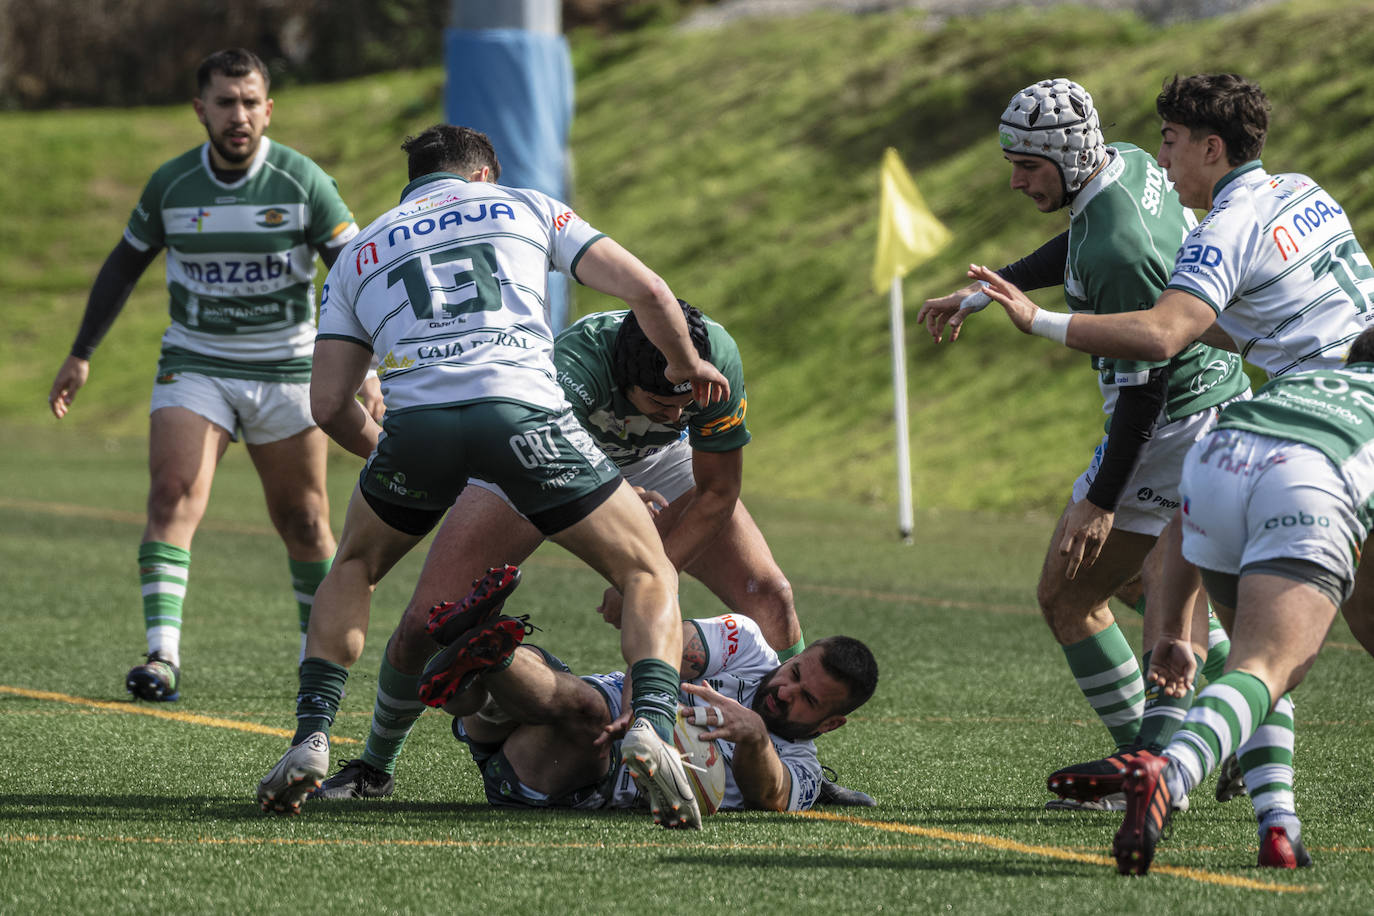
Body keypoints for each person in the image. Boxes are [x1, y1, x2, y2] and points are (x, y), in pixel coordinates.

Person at [255, 124, 731, 829]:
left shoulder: (359, 250)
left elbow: (327, 403)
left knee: (354, 564)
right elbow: (649, 290)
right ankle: (650, 727)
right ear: (485, 175)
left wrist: (392, 450)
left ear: (411, 183)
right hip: (526, 418)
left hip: (418, 426)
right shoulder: (524, 205)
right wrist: (688, 368)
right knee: (647, 570)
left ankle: (313, 735)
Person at [969, 73, 1374, 864]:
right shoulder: (1302, 189)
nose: (1162, 154)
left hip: (1312, 430)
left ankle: (1163, 765)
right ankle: (1269, 820)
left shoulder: (1226, 223)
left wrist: (1037, 320)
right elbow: (1241, 323)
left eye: (1173, 140)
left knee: (1257, 644)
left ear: (1210, 147)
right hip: (1337, 399)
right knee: (1284, 628)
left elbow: (1162, 339)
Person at [308, 304, 870, 805]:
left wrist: (650, 572)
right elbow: (559, 474)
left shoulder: (716, 358)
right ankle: (375, 766)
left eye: (686, 403)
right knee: (424, 622)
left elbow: (718, 491)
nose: (676, 417)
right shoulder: (573, 370)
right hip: (535, 455)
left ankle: (790, 761)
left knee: (770, 595)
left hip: (657, 466)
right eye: (659, 404)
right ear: (624, 382)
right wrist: (621, 514)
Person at [917, 78, 1250, 810]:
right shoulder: (1125, 162)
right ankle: (1232, 737)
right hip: (1215, 400)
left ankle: (1154, 768)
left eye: (1028, 166)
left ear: (1067, 156)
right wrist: (990, 288)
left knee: (1066, 594)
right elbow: (1075, 244)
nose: (1015, 180)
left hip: (1173, 420)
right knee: (1142, 583)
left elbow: (1144, 390)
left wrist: (1098, 504)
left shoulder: (1119, 250)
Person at [46, 48, 372, 703]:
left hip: (286, 370)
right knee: (172, 494)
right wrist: (81, 352)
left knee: (305, 521)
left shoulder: (302, 181)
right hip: (196, 365)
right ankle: (161, 656)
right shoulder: (172, 185)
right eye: (225, 102)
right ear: (201, 109)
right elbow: (122, 266)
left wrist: (363, 369)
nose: (239, 115)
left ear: (268, 108)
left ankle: (318, 664)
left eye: (251, 102)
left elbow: (359, 270)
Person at [1109, 328, 1374, 874]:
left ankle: (1279, 826)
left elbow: (1184, 514)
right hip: (1305, 477)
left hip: (1218, 459)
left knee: (1249, 667)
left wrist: (1175, 632)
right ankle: (1172, 770)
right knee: (1268, 665)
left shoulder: (1310, 382)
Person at [420, 568, 878, 815]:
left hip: (561, 772)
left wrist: (755, 733)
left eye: (807, 700)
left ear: (831, 723)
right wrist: (638, 713)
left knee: (589, 717)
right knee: (534, 689)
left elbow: (770, 798)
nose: (784, 689)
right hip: (559, 696)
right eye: (795, 671)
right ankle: (480, 664)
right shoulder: (748, 643)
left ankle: (487, 647)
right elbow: (661, 647)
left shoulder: (802, 769)